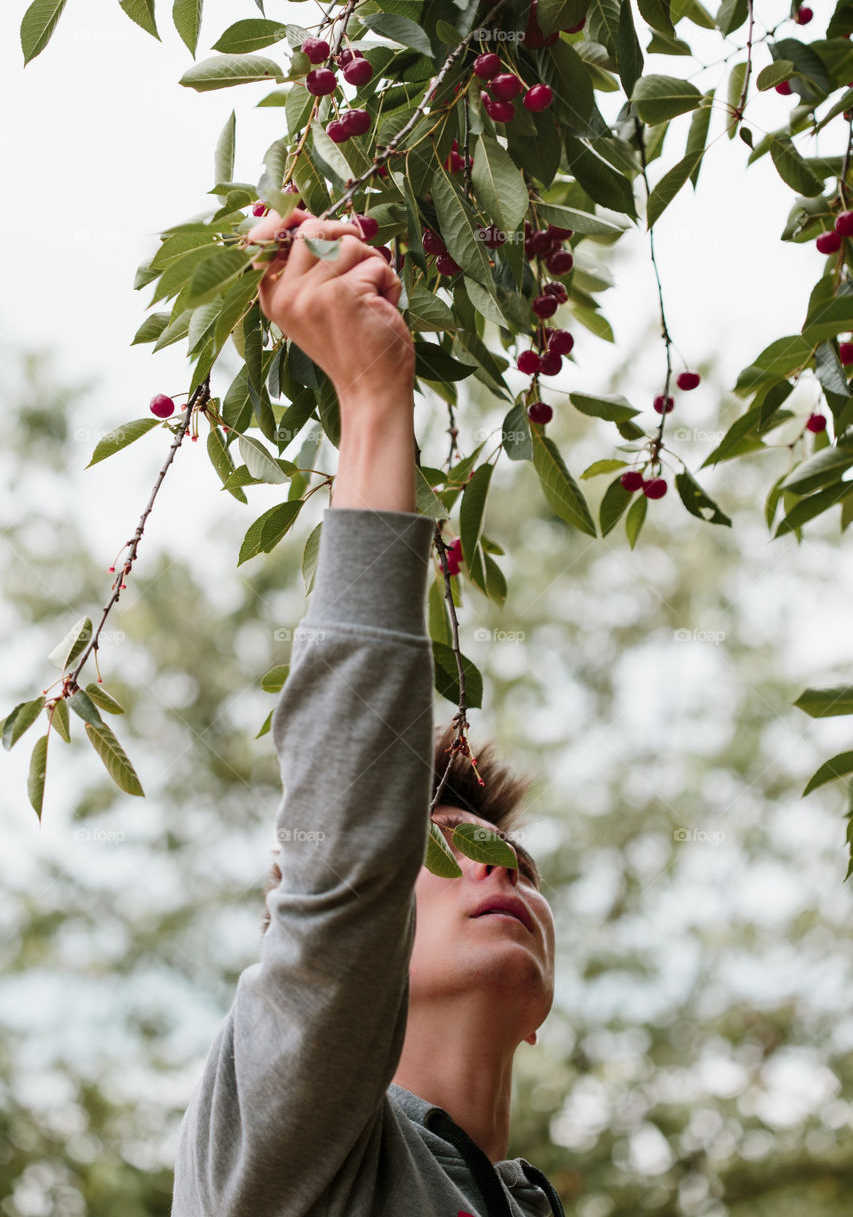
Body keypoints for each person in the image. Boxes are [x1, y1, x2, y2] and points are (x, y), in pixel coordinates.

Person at [170, 207, 563, 1217]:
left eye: (514, 864)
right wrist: (372, 401)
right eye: (445, 852)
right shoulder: (279, 1146)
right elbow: (347, 855)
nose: (500, 867)